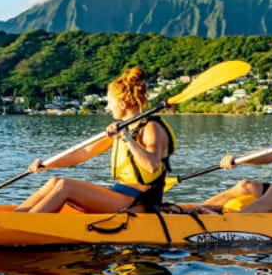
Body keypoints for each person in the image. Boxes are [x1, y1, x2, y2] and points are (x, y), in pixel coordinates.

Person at [14, 67, 175, 214]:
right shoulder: (122, 128)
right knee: (55, 181)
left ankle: (25, 225)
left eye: (110, 102)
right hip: (120, 193)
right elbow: (84, 153)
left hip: (141, 201)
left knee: (66, 187)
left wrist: (126, 137)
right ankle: (14, 218)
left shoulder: (151, 127)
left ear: (122, 104)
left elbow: (152, 166)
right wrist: (47, 165)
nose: (108, 107)